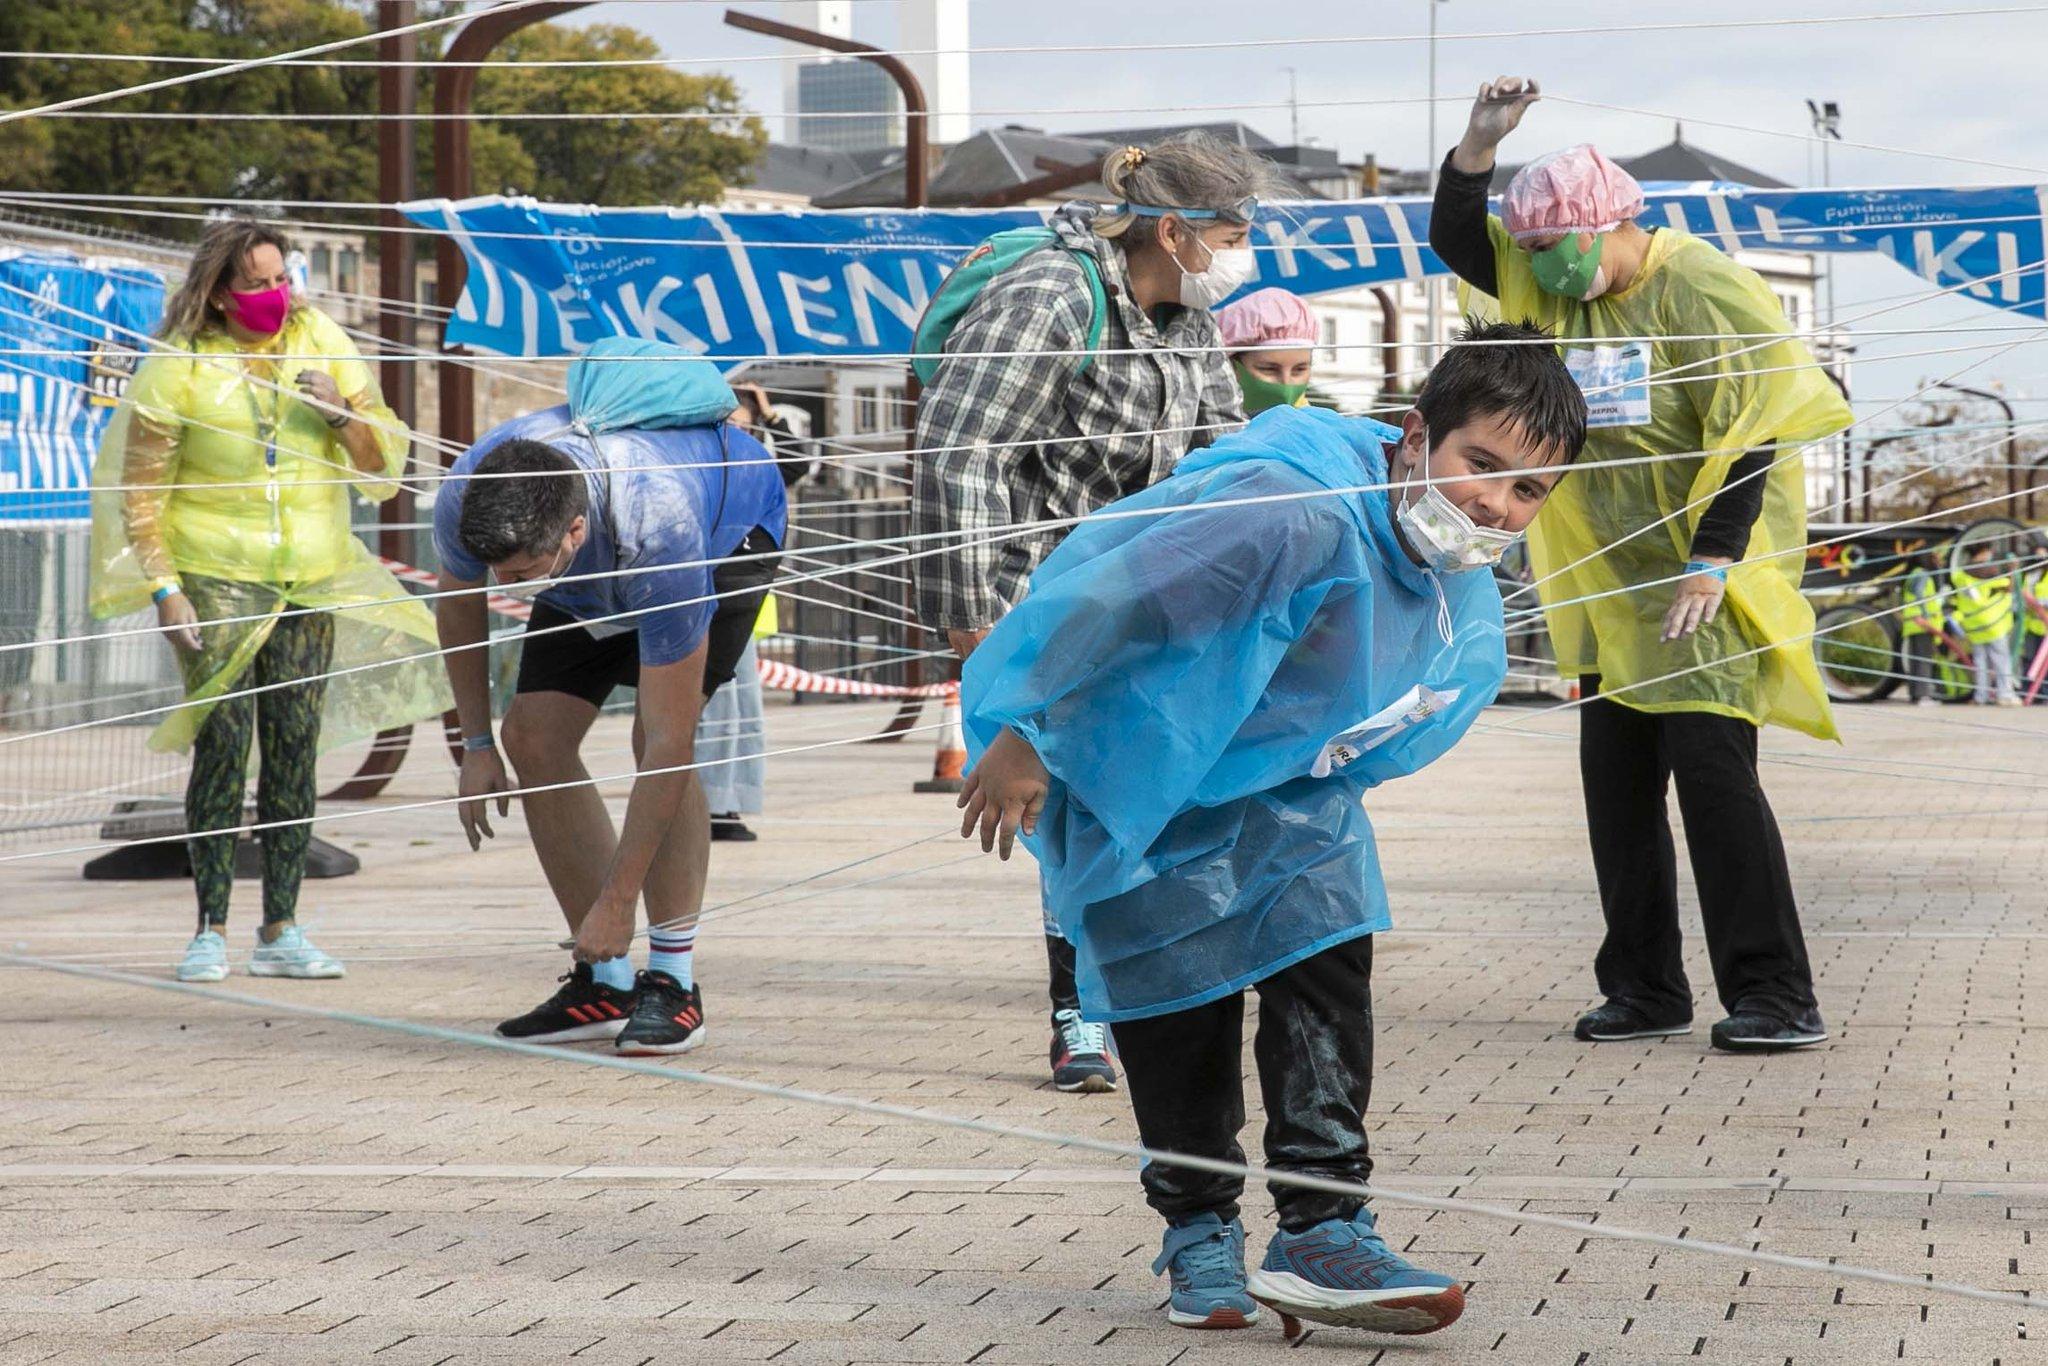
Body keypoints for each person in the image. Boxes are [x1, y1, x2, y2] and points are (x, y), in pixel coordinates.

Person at [953, 322, 1585, 1336]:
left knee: (1327, 965)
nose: (1494, 505)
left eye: (1528, 492)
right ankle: (1198, 1226)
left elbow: (1429, 687)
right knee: (1177, 1011)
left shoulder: (1442, 566)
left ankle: (1322, 1225)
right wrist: (1030, 728)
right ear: (1415, 434)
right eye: (1482, 466)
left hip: (1287, 799)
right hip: (1144, 779)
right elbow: (1116, 598)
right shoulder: (1288, 514)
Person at [1432, 78, 1854, 1053]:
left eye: (1547, 249)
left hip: (1702, 582)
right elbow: (1461, 244)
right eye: (1526, 254)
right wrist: (1476, 148)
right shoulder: (1550, 278)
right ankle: (1642, 983)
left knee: (1712, 782)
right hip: (1606, 587)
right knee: (1614, 786)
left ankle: (1772, 991)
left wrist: (1712, 556)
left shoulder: (1701, 284)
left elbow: (1763, 420)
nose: (1531, 268)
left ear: (1605, 221)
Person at [914, 131, 1287, 1094]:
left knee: (1147, 798)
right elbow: (962, 454)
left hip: (1152, 607)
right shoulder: (1050, 292)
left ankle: (1150, 992)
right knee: (1066, 807)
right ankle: (1078, 1015)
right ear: (1177, 229)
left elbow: (1222, 467)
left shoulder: (1191, 327)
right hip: (1045, 606)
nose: (1246, 254)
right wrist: (984, 639)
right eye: (1238, 233)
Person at [88, 218, 449, 983]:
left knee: (294, 745)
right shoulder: (180, 361)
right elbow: (140, 490)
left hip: (310, 575)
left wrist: (341, 414)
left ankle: (282, 926)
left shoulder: (321, 338)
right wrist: (166, 589)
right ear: (219, 294)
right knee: (223, 744)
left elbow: (383, 460)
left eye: (283, 279)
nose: (275, 296)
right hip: (215, 572)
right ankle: (209, 928)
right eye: (257, 284)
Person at [433, 337, 786, 1056]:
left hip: (727, 533)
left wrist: (618, 900)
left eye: (522, 571)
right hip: (592, 558)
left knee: (648, 739)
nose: (507, 587)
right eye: (499, 569)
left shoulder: (658, 526)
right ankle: (606, 980)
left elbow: (668, 743)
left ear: (572, 531)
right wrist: (474, 745)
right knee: (530, 735)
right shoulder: (471, 491)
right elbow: (461, 606)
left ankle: (674, 982)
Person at [695, 381, 812, 841]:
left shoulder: (758, 470)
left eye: (748, 428)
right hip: (709, 607)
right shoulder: (707, 466)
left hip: (745, 612)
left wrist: (770, 414)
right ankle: (711, 806)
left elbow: (796, 463)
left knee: (739, 712)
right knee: (716, 709)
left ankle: (725, 804)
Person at [1216, 287, 1320, 415]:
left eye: (1299, 370)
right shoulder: (1199, 423)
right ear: (1230, 365)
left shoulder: (1320, 429)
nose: (1286, 384)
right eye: (1269, 369)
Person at [1952, 545, 2020, 706]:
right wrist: (2012, 570)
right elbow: (2008, 588)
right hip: (1993, 623)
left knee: (1980, 662)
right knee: (2001, 660)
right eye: (1988, 552)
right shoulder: (1988, 572)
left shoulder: (1961, 575)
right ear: (1982, 553)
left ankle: (1980, 696)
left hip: (1974, 625)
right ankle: (2005, 695)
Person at [1899, 553, 1946, 706]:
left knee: (1916, 661)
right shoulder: (1922, 574)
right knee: (1923, 661)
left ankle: (1915, 694)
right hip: (1922, 623)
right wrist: (1925, 616)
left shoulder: (1912, 574)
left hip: (1913, 623)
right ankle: (1923, 696)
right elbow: (1919, 595)